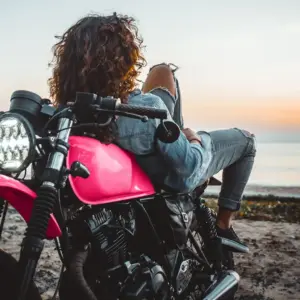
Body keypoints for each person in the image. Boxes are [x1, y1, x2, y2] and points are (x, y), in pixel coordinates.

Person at [48, 13, 256, 248]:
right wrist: (193, 138)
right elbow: (188, 167)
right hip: (174, 174)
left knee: (164, 72)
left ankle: (173, 118)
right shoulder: (147, 109)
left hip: (142, 146)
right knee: (248, 142)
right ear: (123, 62)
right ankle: (223, 226)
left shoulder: (69, 113)